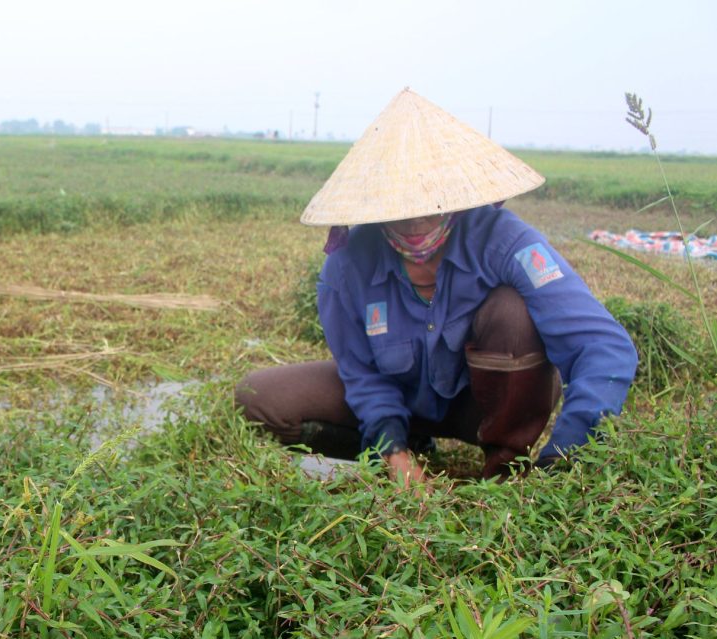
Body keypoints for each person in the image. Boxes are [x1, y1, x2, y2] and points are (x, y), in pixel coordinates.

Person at [234, 88, 638, 487]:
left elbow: (603, 347)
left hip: (480, 406)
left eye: (429, 201)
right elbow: (362, 375)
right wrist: (394, 451)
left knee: (514, 313)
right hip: (403, 401)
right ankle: (403, 445)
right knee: (260, 397)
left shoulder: (504, 241)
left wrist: (562, 459)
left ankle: (503, 466)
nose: (416, 221)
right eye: (402, 207)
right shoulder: (346, 267)